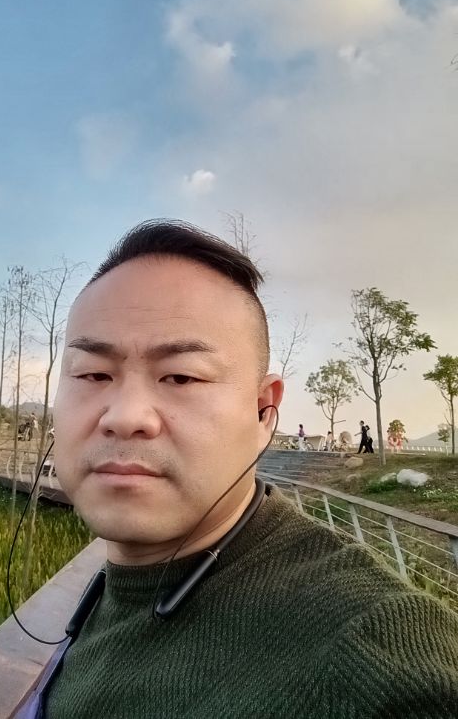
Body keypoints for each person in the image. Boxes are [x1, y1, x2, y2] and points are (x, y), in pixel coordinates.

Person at [44, 220, 458, 718]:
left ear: (263, 411)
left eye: (181, 377)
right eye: (93, 374)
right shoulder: (120, 582)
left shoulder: (368, 648)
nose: (125, 416)